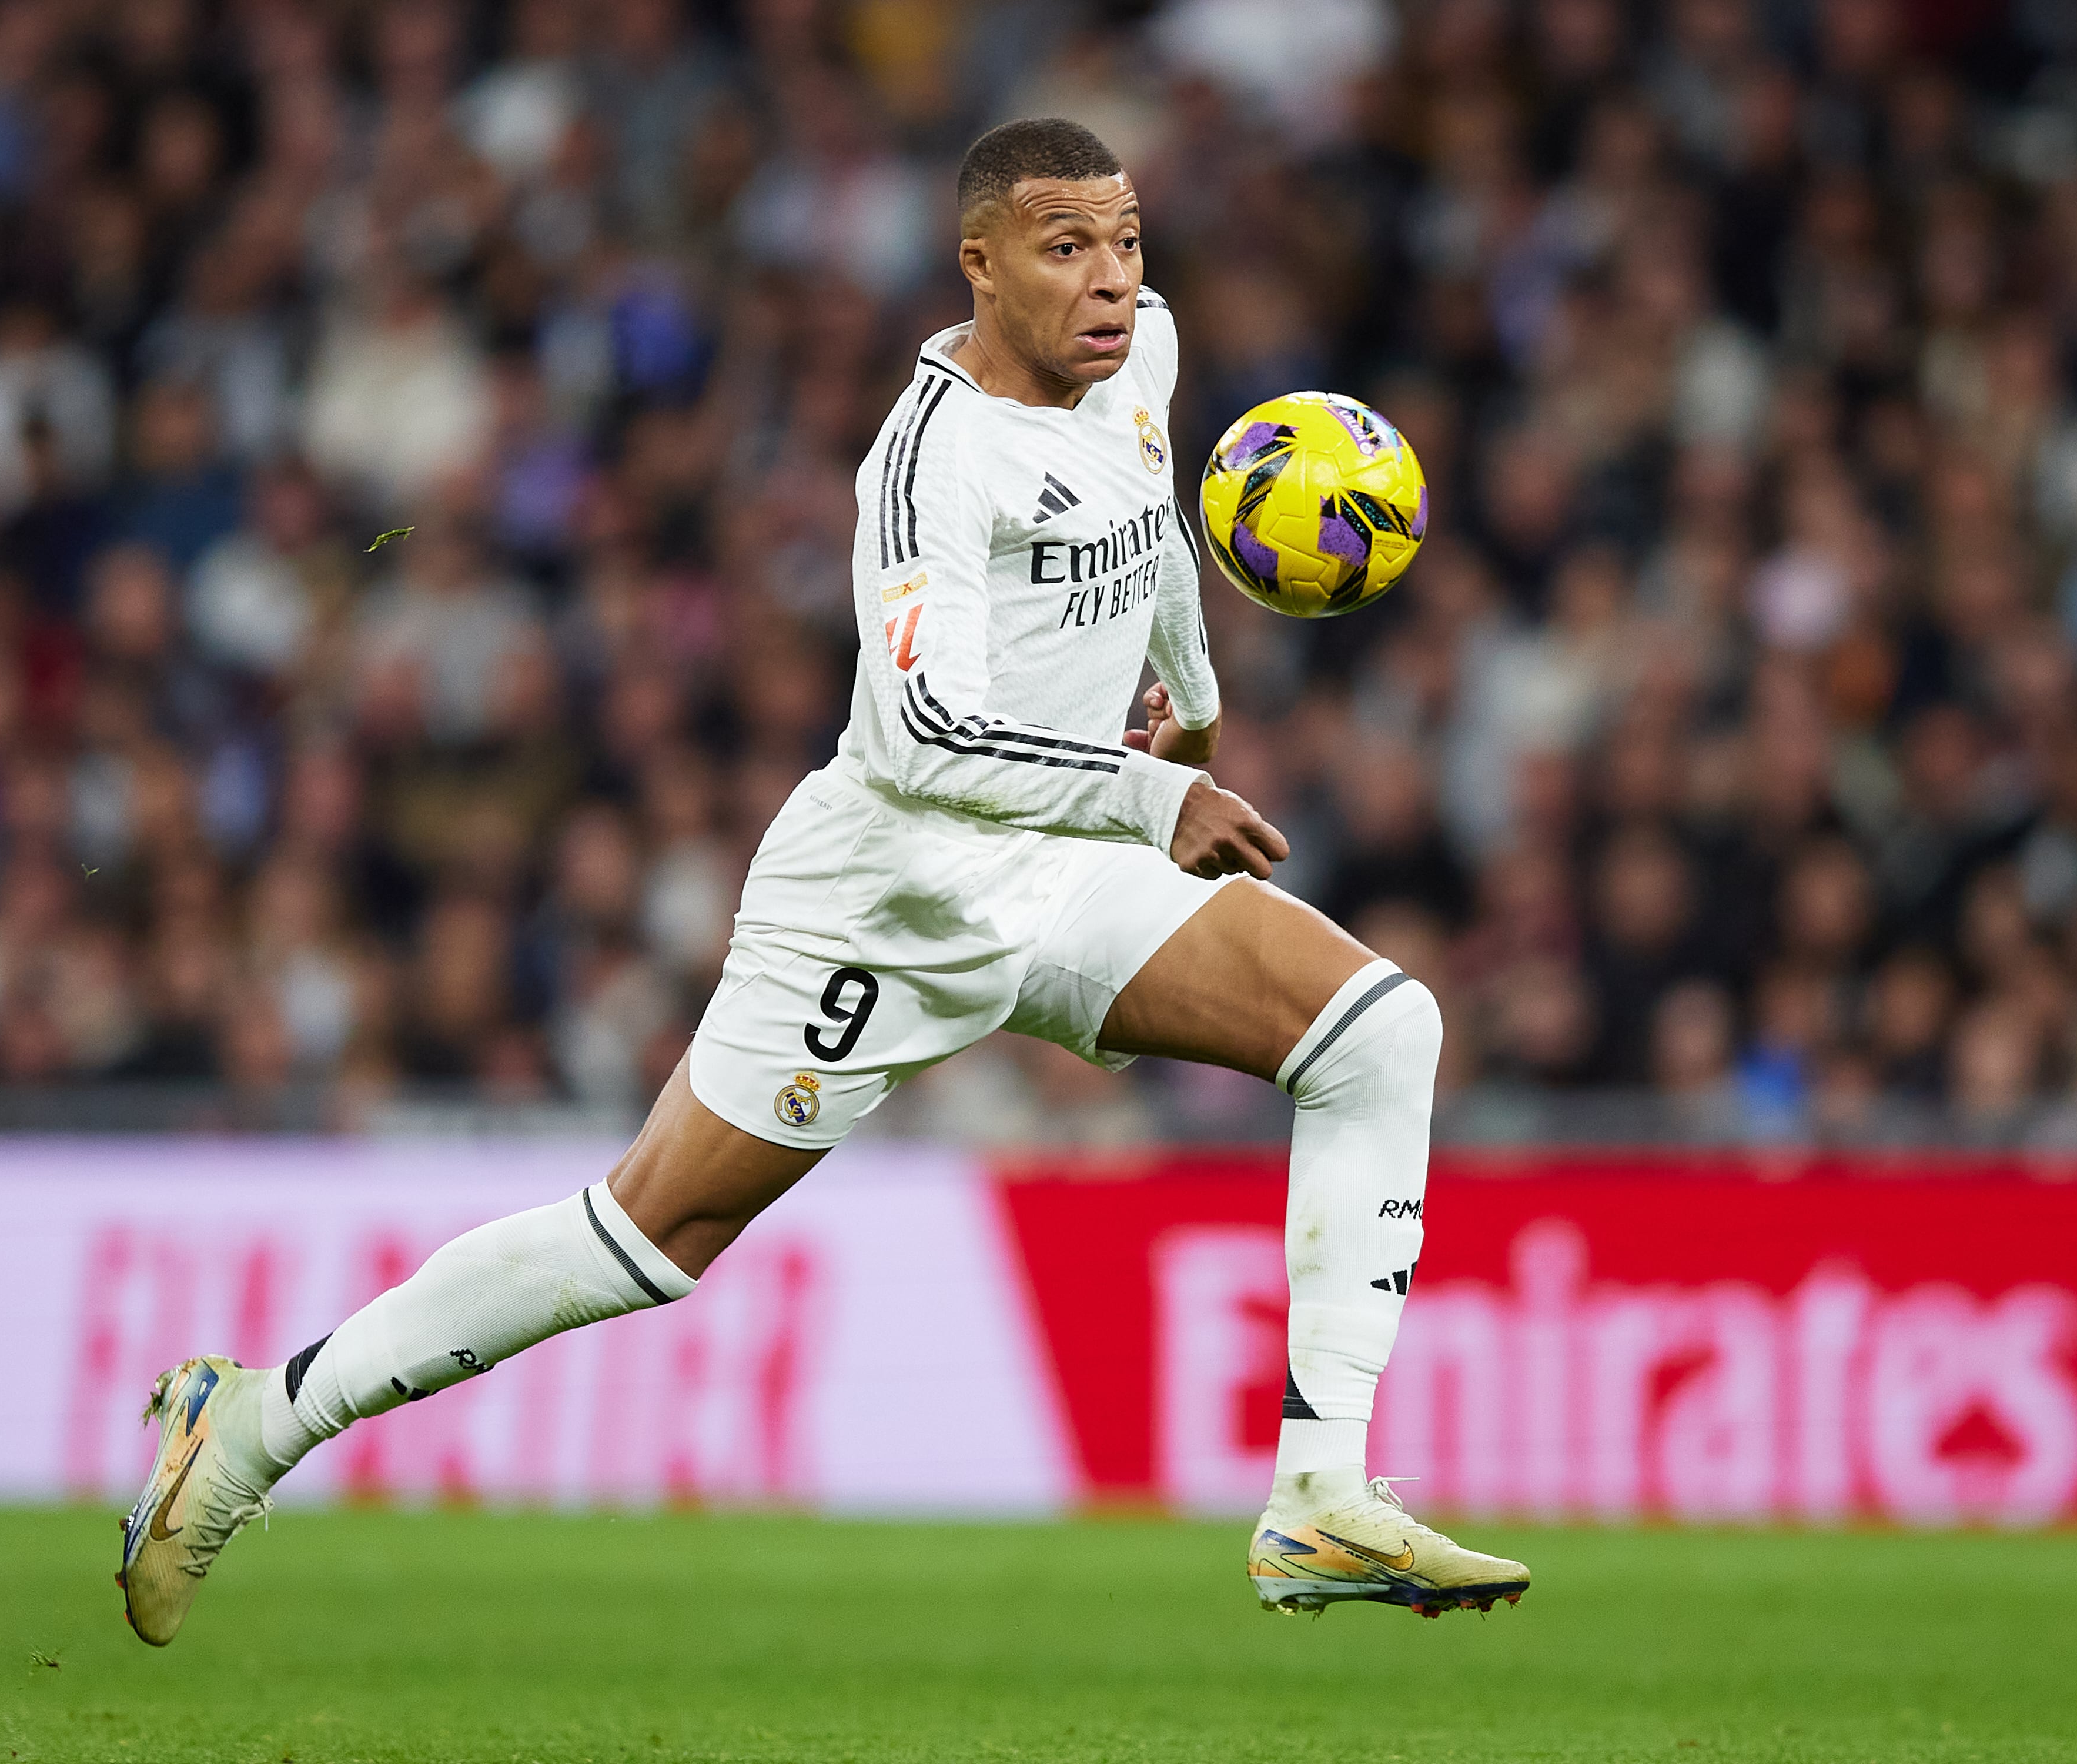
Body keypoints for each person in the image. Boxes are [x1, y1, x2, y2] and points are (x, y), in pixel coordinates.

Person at [116, 118, 1528, 1645]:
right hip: (892, 890)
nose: (1112, 280)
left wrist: (1186, 685)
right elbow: (922, 735)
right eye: (1068, 248)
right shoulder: (928, 467)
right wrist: (1148, 785)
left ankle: (1317, 1495)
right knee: (645, 1240)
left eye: (1124, 241)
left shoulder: (1146, 353)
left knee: (1380, 1030)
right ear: (979, 265)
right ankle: (251, 1421)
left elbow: (1151, 514)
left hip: (1061, 868)